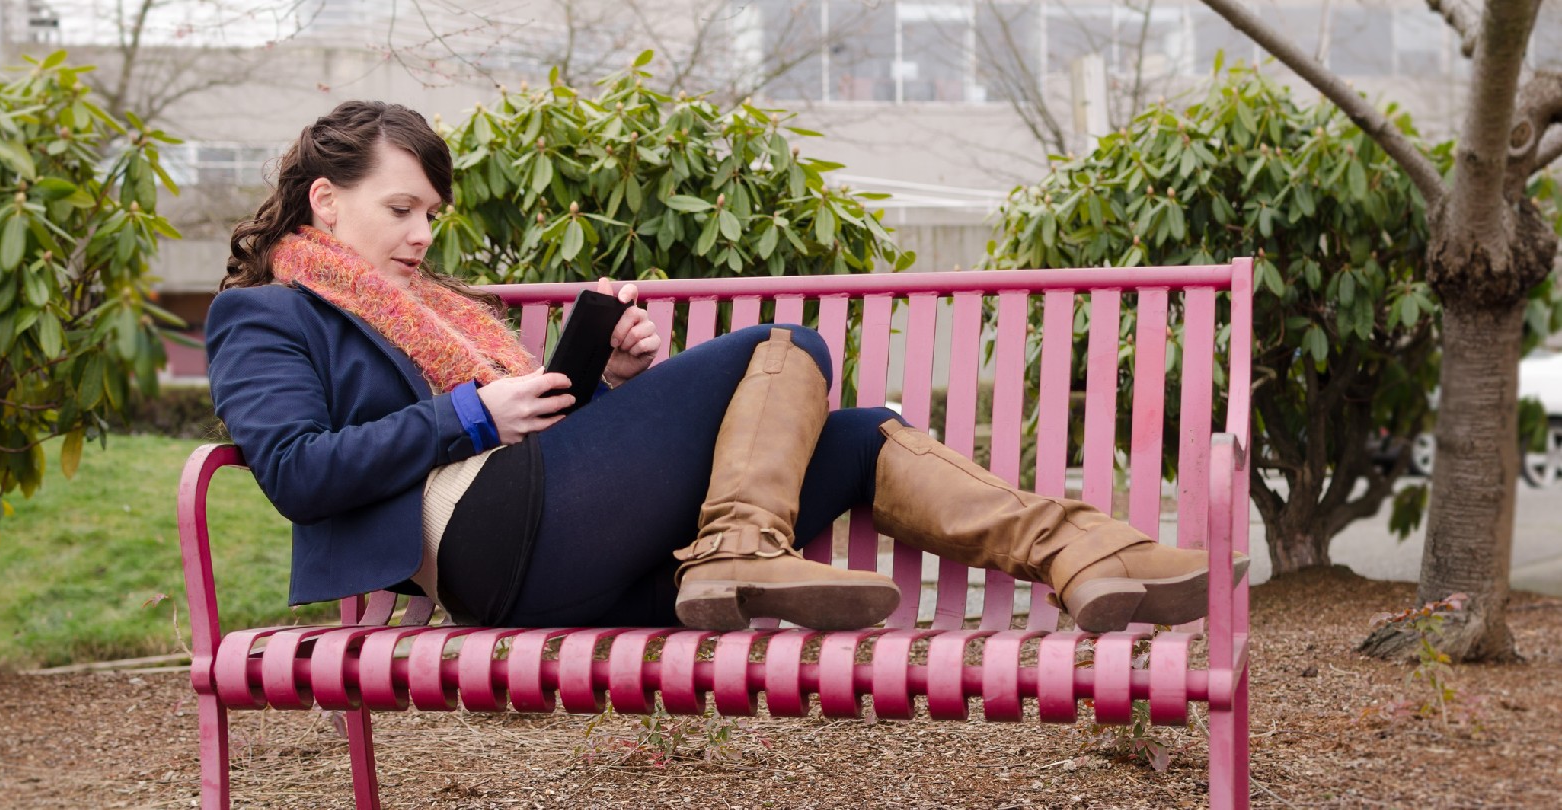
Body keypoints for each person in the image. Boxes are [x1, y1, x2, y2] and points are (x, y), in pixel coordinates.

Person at [207, 100, 1246, 634]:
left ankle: (1082, 554)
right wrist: (476, 414)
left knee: (854, 430)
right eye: (402, 209)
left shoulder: (433, 311)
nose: (424, 233)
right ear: (324, 203)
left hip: (561, 548)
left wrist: (605, 388)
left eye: (434, 213)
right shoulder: (261, 315)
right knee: (780, 348)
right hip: (479, 552)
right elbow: (298, 473)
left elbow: (546, 443)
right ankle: (736, 554)